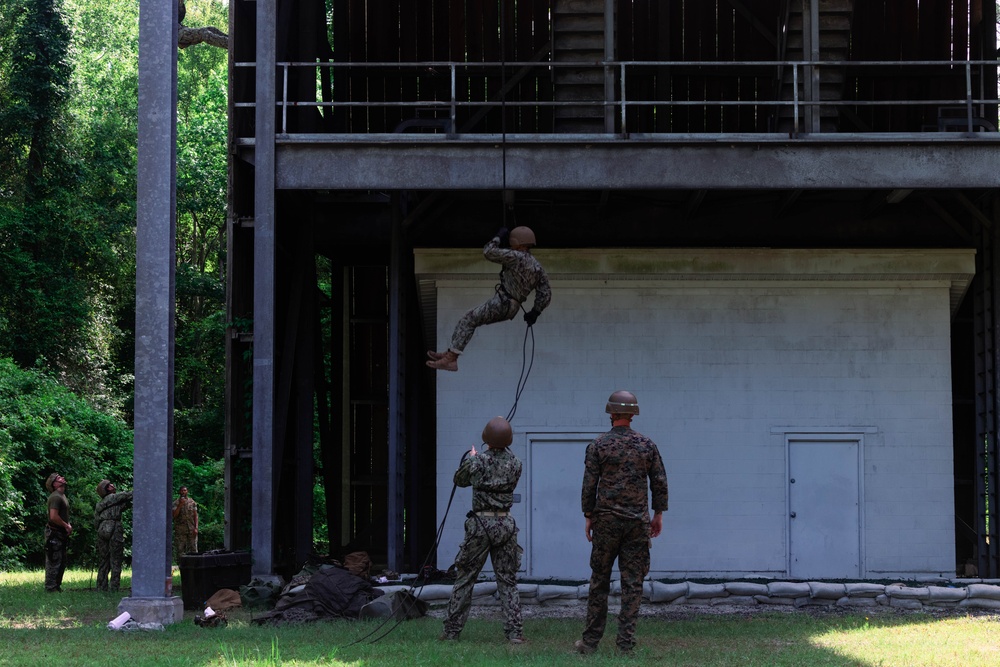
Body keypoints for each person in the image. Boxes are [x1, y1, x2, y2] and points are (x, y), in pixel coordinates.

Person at [575, 391, 669, 655]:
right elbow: (659, 481)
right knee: (632, 584)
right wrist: (658, 513)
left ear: (611, 413)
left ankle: (590, 643)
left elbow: (589, 485)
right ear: (633, 414)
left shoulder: (598, 446)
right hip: (637, 524)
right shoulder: (647, 445)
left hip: (605, 522)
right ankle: (625, 645)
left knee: (599, 581)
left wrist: (588, 515)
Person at [440, 416, 527, 644]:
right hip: (506, 525)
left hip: (480, 525)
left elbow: (459, 480)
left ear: (486, 438)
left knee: (466, 578)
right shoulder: (516, 463)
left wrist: (471, 459)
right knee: (507, 581)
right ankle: (515, 634)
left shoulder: (477, 462)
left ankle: (451, 632)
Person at [427, 226, 551, 371]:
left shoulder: (515, 257)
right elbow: (546, 293)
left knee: (469, 318)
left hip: (503, 303)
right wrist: (535, 312)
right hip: (513, 306)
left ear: (516, 241)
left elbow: (488, 252)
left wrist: (498, 237)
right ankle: (450, 353)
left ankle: (451, 359)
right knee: (471, 319)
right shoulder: (537, 267)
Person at [94, 479, 133, 591]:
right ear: (106, 490)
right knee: (116, 559)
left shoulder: (100, 504)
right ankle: (114, 587)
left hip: (102, 529)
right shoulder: (113, 498)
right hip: (114, 528)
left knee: (103, 560)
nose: (112, 485)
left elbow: (96, 521)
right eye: (109, 485)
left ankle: (101, 586)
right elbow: (128, 495)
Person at [44, 472, 72, 592]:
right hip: (54, 533)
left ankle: (56, 586)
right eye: (59, 478)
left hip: (60, 533)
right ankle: (50, 588)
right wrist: (66, 526)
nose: (62, 478)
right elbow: (53, 516)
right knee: (54, 560)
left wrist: (67, 525)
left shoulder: (62, 495)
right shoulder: (56, 497)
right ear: (54, 484)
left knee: (61, 561)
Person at [172, 486, 199, 561]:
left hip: (191, 529)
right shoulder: (175, 503)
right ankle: (182, 567)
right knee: (180, 550)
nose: (183, 492)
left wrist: (196, 528)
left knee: (193, 549)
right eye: (182, 491)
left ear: (187, 491)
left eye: (185, 490)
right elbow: (174, 515)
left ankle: (195, 567)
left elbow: (195, 515)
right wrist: (180, 505)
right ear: (179, 492)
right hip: (180, 530)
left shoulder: (192, 502)